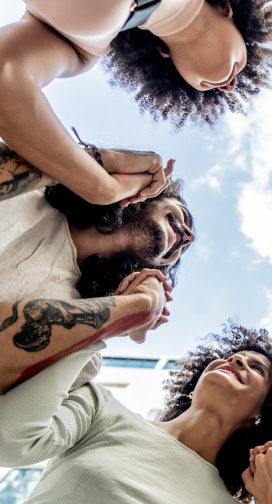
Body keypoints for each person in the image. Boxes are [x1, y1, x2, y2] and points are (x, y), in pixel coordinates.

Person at [0, 322, 272, 504]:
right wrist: (87, 346)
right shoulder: (102, 409)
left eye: (257, 369)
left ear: (262, 413)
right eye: (231, 357)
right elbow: (10, 440)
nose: (236, 359)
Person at [0, 0, 272, 204]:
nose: (230, 86)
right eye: (244, 62)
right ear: (226, 8)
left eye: (211, 92)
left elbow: (5, 75)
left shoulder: (81, 47)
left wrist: (103, 189)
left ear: (164, 55)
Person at [0, 143, 195, 390]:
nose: (189, 237)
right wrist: (104, 166)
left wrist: (136, 308)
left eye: (180, 251)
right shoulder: (33, 186)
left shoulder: (84, 351)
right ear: (150, 194)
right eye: (183, 216)